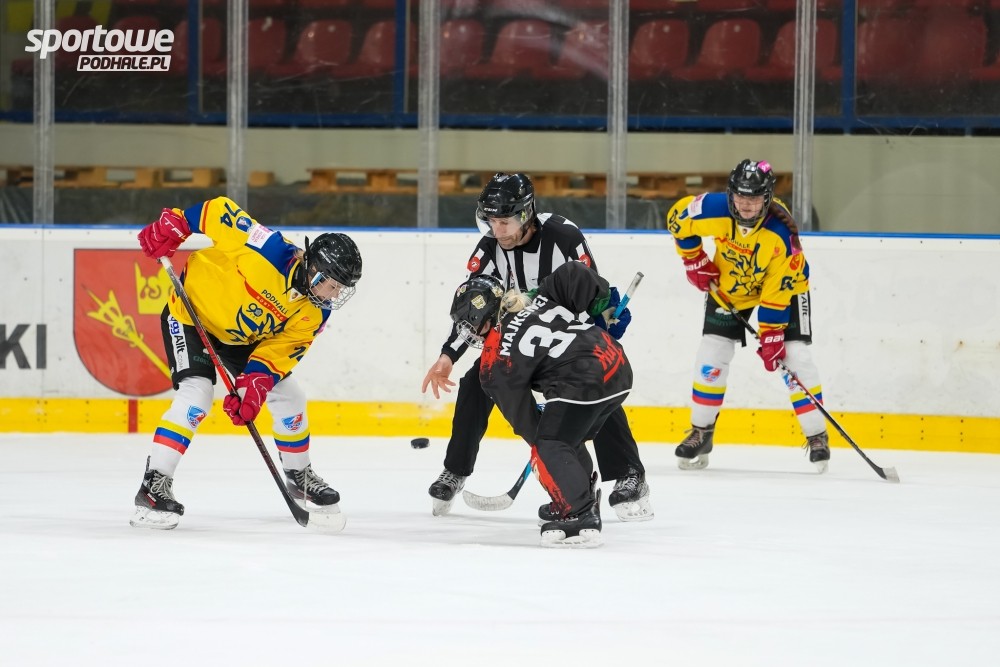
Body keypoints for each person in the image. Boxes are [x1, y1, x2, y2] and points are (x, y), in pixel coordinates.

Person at [421, 172, 652, 521]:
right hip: (513, 344)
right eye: (491, 221)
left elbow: (587, 286)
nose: (497, 230)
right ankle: (455, 470)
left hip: (562, 339)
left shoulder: (563, 236)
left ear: (526, 214)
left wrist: (604, 316)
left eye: (505, 221)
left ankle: (628, 473)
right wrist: (448, 355)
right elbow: (475, 305)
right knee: (474, 384)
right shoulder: (489, 248)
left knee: (591, 385)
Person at [129, 197, 362, 529]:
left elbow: (277, 352)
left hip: (239, 339)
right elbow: (219, 211)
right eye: (332, 284)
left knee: (290, 396)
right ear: (313, 269)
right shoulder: (267, 249)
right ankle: (154, 484)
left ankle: (299, 475)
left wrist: (253, 386)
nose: (334, 294)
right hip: (190, 317)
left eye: (340, 288)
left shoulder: (315, 311)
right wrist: (178, 223)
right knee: (196, 395)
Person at [450, 261, 634, 547]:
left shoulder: (493, 363)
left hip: (582, 382)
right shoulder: (534, 299)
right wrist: (604, 301)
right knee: (565, 439)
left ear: (482, 316)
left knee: (549, 444)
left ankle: (579, 514)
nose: (470, 332)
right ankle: (576, 497)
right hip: (616, 364)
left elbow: (528, 426)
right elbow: (573, 273)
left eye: (469, 323)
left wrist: (543, 430)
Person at [666, 159, 830, 472]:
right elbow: (677, 218)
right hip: (731, 288)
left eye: (754, 198)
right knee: (712, 351)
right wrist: (693, 259)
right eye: (740, 196)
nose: (745, 204)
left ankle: (816, 434)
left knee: (795, 356)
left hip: (785, 289)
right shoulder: (714, 208)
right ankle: (701, 432)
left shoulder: (782, 234)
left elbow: (777, 291)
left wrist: (772, 334)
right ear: (731, 193)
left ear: (767, 198)